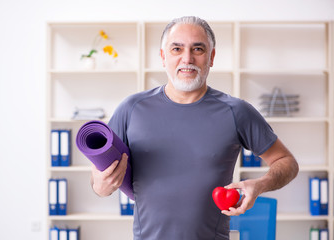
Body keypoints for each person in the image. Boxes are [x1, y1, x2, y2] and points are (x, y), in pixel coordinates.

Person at [90, 16, 299, 240]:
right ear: (163, 57)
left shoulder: (236, 111)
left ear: (211, 57)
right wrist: (102, 186)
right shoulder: (131, 109)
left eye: (197, 49)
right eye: (176, 49)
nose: (187, 59)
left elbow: (287, 163)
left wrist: (260, 185)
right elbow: (97, 179)